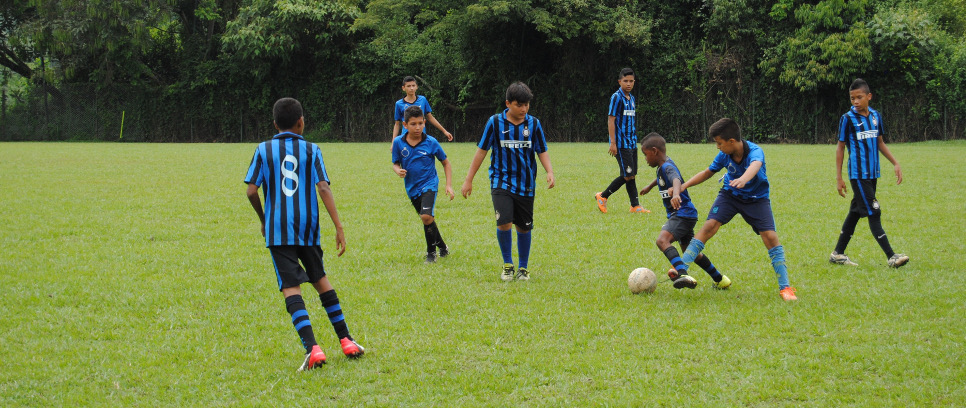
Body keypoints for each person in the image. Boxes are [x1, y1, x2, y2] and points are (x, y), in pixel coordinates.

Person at [244, 97, 364, 371]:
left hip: (278, 229)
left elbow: (251, 190)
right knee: (320, 279)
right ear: (301, 122)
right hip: (308, 227)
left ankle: (313, 350)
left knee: (290, 287)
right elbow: (323, 187)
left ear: (275, 125)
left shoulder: (263, 149)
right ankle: (347, 340)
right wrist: (339, 226)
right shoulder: (312, 149)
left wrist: (265, 220)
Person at [675, 118, 798, 301]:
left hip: (757, 200)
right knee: (709, 226)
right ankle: (680, 269)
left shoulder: (755, 151)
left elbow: (755, 166)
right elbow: (708, 172)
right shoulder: (724, 155)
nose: (717, 147)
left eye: (719, 143)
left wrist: (744, 179)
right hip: (730, 196)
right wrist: (684, 186)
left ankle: (785, 288)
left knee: (771, 238)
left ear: (731, 141)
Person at [461, 81, 555, 281]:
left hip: (526, 183)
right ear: (507, 103)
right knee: (504, 222)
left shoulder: (534, 124)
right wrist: (469, 179)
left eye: (526, 105)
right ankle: (507, 265)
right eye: (519, 105)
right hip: (500, 181)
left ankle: (523, 268)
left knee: (524, 227)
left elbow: (542, 150)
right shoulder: (494, 123)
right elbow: (481, 151)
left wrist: (549, 171)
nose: (523, 109)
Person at [830, 78, 909, 268]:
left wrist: (895, 163)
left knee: (856, 211)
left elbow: (880, 142)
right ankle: (891, 256)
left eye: (859, 97)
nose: (855, 102)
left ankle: (837, 253)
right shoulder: (847, 119)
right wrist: (839, 177)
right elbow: (840, 148)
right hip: (858, 175)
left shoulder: (875, 116)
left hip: (873, 173)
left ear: (869, 97)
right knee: (874, 210)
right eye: (852, 98)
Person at [639, 133, 731, 290]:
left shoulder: (667, 167)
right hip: (686, 214)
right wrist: (650, 186)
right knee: (690, 251)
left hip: (682, 214)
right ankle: (720, 279)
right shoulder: (663, 165)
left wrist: (676, 194)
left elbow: (676, 179)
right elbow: (662, 177)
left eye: (645, 155)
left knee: (662, 241)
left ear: (654, 151)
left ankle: (681, 273)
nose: (645, 159)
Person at [391, 105, 455, 263]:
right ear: (405, 125)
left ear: (425, 123)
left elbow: (446, 163)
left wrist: (448, 185)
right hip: (412, 188)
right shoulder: (399, 143)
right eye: (413, 124)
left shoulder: (431, 142)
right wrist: (397, 170)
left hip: (430, 183)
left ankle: (431, 254)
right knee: (428, 219)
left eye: (420, 123)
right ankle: (443, 247)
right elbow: (395, 163)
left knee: (426, 217)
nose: (417, 127)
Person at [595, 67, 649, 214]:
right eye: (625, 81)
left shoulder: (632, 99)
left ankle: (635, 206)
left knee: (631, 175)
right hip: (621, 144)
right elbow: (611, 120)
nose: (628, 84)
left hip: (631, 143)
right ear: (620, 82)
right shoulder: (616, 97)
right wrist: (613, 143)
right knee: (627, 174)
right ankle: (603, 196)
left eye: (631, 81)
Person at [392, 76, 454, 141]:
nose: (411, 88)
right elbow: (397, 124)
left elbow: (430, 117)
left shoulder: (423, 100)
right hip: (406, 138)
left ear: (417, 87)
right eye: (409, 86)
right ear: (403, 88)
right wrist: (393, 141)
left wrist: (444, 131)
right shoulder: (399, 104)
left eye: (413, 85)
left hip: (421, 137)